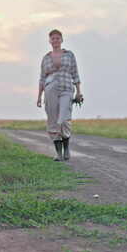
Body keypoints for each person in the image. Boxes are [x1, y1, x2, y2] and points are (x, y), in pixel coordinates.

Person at [37, 29, 83, 161]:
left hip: (67, 88)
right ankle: (58, 152)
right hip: (50, 90)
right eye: (53, 38)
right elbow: (41, 78)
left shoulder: (69, 55)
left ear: (61, 40)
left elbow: (75, 73)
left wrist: (79, 91)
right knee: (52, 120)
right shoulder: (46, 58)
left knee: (63, 119)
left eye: (58, 38)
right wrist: (39, 96)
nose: (55, 40)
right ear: (50, 41)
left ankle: (66, 146)